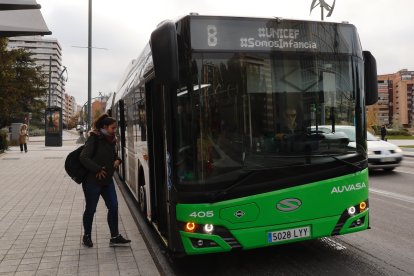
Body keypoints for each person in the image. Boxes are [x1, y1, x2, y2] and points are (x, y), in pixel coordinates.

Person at [79, 114, 131, 247]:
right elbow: (83, 157)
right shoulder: (94, 139)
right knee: (91, 209)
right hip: (92, 181)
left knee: (113, 207)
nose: (115, 130)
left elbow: (113, 155)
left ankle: (115, 236)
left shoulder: (110, 140)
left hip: (107, 181)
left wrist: (118, 160)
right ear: (104, 127)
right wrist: (97, 169)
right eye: (113, 128)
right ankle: (87, 236)